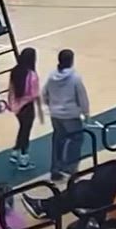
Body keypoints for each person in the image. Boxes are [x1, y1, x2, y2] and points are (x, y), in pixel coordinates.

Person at [43, 49, 90, 181]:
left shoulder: (51, 76)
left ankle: (55, 169)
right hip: (71, 116)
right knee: (76, 140)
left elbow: (44, 93)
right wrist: (86, 113)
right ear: (71, 61)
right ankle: (70, 169)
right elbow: (82, 97)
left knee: (58, 140)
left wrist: (52, 106)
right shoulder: (75, 78)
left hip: (55, 115)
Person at [6, 47, 41, 171]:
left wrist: (12, 104)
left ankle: (15, 152)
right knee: (26, 132)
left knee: (22, 129)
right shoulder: (32, 75)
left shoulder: (15, 71)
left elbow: (11, 89)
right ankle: (24, 160)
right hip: (27, 107)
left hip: (17, 107)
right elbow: (34, 94)